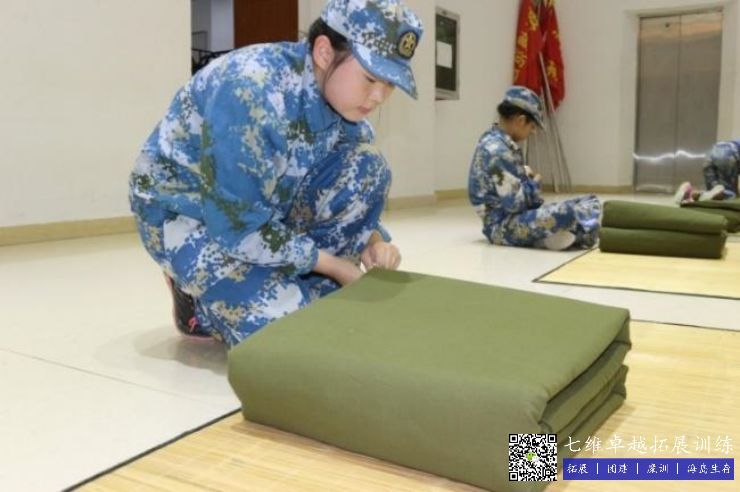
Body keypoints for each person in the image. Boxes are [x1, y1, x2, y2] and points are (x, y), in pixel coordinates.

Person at [129, 0, 423, 347]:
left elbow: (351, 178)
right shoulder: (252, 91)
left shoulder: (342, 101)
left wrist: (374, 242)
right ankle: (197, 301)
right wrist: (335, 267)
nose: (378, 96)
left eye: (389, 84)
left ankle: (292, 284)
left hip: (261, 211)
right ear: (324, 52)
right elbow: (237, 227)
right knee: (292, 335)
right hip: (192, 216)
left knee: (367, 166)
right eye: (370, 78)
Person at [467, 86, 601, 250]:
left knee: (587, 202)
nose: (533, 132)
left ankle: (550, 237)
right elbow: (515, 205)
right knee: (573, 211)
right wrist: (534, 183)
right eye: (532, 127)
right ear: (521, 121)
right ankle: (553, 237)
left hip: (514, 218)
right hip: (502, 227)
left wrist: (525, 179)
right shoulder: (498, 151)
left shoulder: (498, 143)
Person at [674, 140, 740, 204]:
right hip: (729, 154)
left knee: (712, 194)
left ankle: (688, 193)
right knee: (730, 195)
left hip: (712, 152)